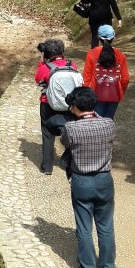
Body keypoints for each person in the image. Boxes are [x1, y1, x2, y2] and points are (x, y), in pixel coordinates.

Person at [62, 86, 117, 268]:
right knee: (106, 225)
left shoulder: (71, 128)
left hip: (82, 181)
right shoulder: (108, 124)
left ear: (75, 107)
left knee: (84, 227)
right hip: (104, 180)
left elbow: (66, 143)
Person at [34, 39, 80, 175]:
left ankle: (47, 168)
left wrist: (42, 62)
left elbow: (38, 79)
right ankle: (68, 159)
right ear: (62, 51)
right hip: (69, 105)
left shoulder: (45, 67)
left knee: (47, 135)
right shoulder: (72, 65)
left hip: (48, 104)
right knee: (70, 132)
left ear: (46, 53)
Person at [82, 26, 129, 119]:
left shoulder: (92, 53)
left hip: (95, 93)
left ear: (98, 38)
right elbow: (125, 79)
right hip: (114, 93)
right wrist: (120, 90)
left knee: (95, 122)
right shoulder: (120, 55)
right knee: (108, 122)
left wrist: (85, 94)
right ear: (113, 37)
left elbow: (86, 77)